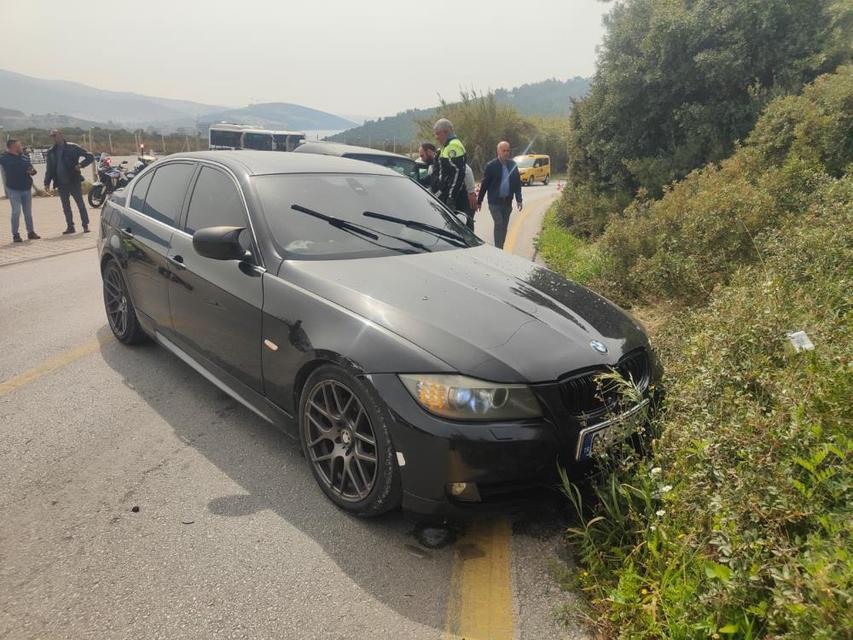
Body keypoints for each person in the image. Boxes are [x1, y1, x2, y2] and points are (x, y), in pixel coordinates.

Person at [43, 129, 94, 234]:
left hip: (73, 180)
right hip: (61, 183)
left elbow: (90, 156)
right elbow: (49, 169)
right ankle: (70, 226)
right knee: (66, 206)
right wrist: (46, 183)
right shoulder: (51, 151)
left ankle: (85, 226)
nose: (54, 137)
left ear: (61, 135)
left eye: (55, 135)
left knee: (80, 204)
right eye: (52, 136)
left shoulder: (72, 147)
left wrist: (80, 165)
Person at [477, 141, 522, 249]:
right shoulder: (491, 166)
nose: (506, 153)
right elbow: (484, 185)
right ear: (498, 151)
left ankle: (500, 247)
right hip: (495, 203)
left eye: (508, 150)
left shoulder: (513, 165)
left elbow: (517, 183)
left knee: (504, 227)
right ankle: (498, 249)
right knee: (499, 224)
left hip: (507, 202)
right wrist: (479, 201)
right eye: (504, 150)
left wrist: (519, 199)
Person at [431, 118, 471, 227]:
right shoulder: (446, 147)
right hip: (446, 194)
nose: (436, 137)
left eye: (438, 134)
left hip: (454, 198)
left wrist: (450, 197)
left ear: (446, 132)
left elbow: (457, 174)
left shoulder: (453, 146)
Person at [0, 139, 40, 242]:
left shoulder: (25, 157)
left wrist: (32, 171)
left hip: (26, 189)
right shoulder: (4, 158)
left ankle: (31, 232)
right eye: (19, 145)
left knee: (28, 212)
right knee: (16, 212)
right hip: (13, 189)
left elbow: (32, 169)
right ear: (12, 147)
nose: (21, 147)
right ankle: (15, 234)